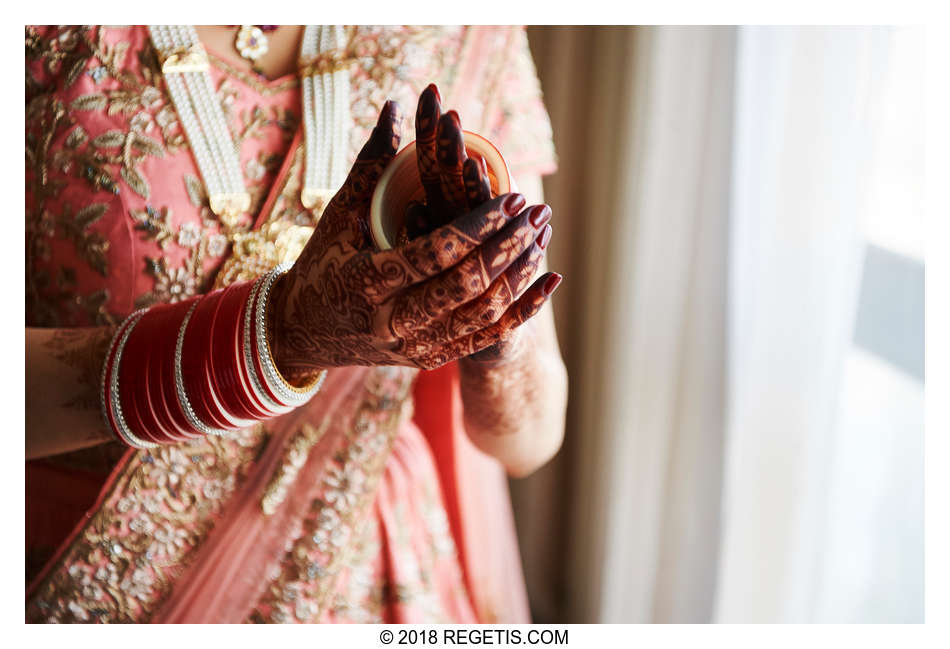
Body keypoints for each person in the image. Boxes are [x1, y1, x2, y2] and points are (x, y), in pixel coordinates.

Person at [25, 25, 567, 623]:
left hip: (365, 558)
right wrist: (277, 338)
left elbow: (532, 439)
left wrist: (493, 329)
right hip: (99, 565)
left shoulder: (464, 28)